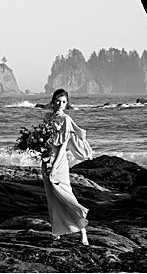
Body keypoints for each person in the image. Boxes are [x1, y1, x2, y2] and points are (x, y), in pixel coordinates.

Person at [42, 88, 92, 245]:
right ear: (53, 101)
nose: (61, 104)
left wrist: (55, 164)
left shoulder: (66, 119)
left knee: (66, 195)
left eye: (64, 101)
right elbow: (43, 139)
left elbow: (63, 145)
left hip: (59, 161)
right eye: (58, 101)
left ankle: (83, 232)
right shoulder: (47, 117)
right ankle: (56, 231)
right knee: (51, 197)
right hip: (46, 159)